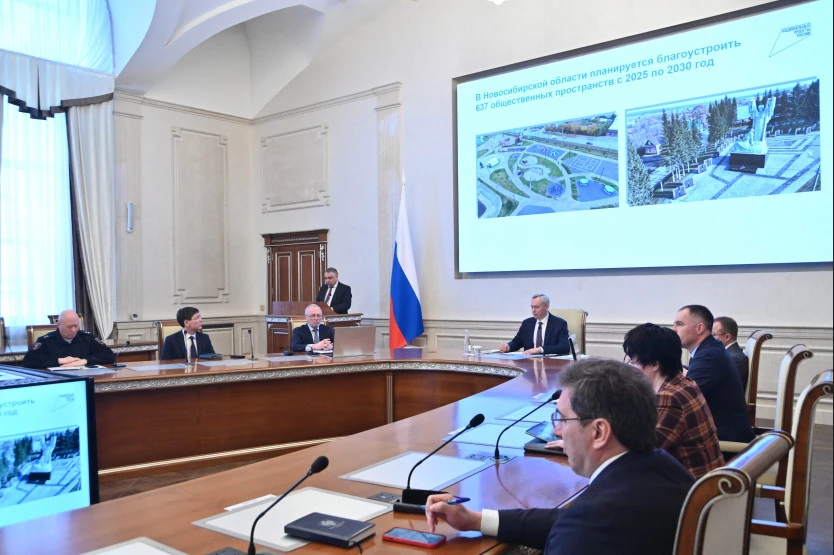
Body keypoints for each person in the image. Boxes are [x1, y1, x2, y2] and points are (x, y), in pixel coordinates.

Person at [425, 359, 695, 555]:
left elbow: (578, 524)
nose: (556, 430)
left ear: (599, 432)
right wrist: (475, 520)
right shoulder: (666, 468)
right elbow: (563, 521)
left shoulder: (590, 524)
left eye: (562, 419)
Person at [623, 323, 723, 478]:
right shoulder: (685, 383)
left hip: (692, 488)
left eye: (633, 361)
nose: (629, 367)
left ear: (654, 364)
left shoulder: (669, 398)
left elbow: (641, 454)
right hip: (707, 481)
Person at [673, 305, 753, 443]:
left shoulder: (709, 355)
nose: (674, 330)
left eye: (679, 324)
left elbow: (685, 398)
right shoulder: (709, 349)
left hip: (724, 440)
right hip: (717, 432)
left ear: (699, 328)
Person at [22, 310, 115, 369]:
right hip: (58, 381)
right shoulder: (46, 340)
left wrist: (85, 361)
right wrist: (59, 361)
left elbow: (109, 356)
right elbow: (28, 361)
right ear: (58, 325)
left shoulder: (87, 337)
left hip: (85, 377)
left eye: (76, 326)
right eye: (69, 327)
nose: (73, 330)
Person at [499, 294, 569, 355]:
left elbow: (564, 347)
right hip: (529, 362)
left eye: (536, 307)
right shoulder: (527, 323)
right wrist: (508, 346)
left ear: (546, 307)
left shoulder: (559, 324)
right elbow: (517, 342)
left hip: (550, 363)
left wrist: (540, 349)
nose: (533, 310)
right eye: (532, 307)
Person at [713, 316, 750, 392]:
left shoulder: (734, 359)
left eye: (713, 335)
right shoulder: (726, 353)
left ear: (727, 337)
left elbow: (725, 389)